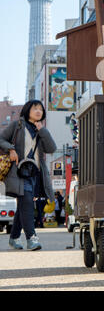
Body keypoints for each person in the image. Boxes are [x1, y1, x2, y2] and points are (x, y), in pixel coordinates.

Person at [0, 100, 56, 250]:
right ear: (27, 110)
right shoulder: (17, 125)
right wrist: (11, 149)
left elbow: (51, 148)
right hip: (18, 172)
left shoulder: (40, 130)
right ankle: (31, 238)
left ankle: (13, 238)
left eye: (40, 109)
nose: (38, 111)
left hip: (35, 173)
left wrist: (42, 131)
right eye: (35, 108)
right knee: (27, 203)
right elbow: (1, 139)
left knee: (23, 205)